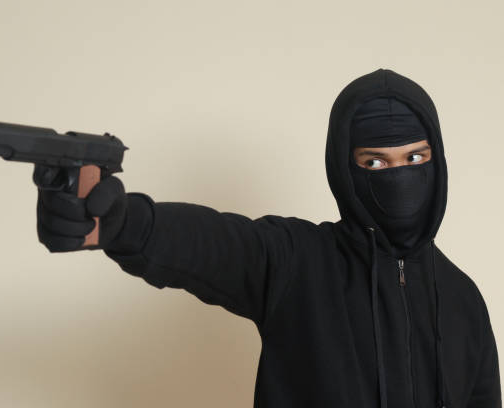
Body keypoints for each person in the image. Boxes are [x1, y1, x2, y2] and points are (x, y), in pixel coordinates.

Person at [35, 68, 501, 407]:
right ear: (344, 168)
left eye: (414, 159)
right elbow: (216, 244)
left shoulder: (463, 300)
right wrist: (122, 223)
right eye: (374, 163)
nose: (397, 177)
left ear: (437, 162)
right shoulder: (297, 262)